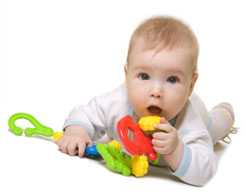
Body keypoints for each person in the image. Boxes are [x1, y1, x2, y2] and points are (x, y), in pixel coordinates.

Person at [56, 16, 235, 186]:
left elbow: (206, 170)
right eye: (144, 76)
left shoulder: (189, 120)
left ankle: (226, 112)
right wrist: (77, 132)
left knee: (214, 129)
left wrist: (176, 150)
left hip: (201, 114)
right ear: (127, 76)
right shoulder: (117, 101)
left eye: (172, 79)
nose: (156, 91)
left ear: (190, 85)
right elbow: (85, 113)